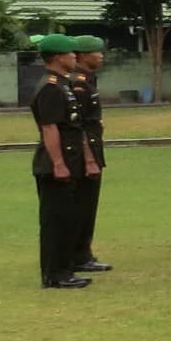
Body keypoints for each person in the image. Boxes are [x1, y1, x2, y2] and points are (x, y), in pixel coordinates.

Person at [27, 34, 92, 288]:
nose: (75, 56)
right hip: (56, 161)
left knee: (68, 218)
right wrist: (58, 163)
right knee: (55, 220)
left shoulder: (64, 84)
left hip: (71, 157)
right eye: (70, 53)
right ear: (57, 57)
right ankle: (54, 274)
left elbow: (76, 128)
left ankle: (65, 269)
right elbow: (50, 128)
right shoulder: (51, 87)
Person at [67, 33, 111, 273]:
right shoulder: (79, 83)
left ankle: (83, 252)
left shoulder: (87, 80)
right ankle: (79, 255)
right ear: (84, 55)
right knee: (82, 205)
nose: (101, 56)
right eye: (97, 52)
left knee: (87, 205)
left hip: (92, 148)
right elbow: (79, 125)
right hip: (85, 153)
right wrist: (90, 159)